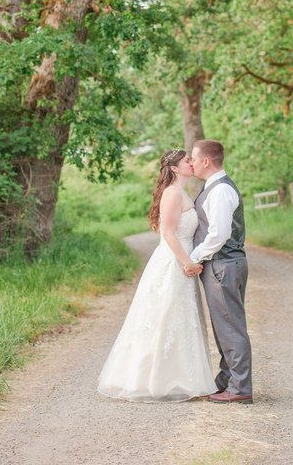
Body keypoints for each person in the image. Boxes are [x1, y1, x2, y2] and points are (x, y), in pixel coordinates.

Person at [98, 149, 217, 402]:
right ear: (174, 168)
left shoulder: (182, 192)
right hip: (174, 261)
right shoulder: (173, 193)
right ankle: (153, 380)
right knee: (165, 317)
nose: (191, 163)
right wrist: (189, 263)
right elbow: (169, 233)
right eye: (187, 161)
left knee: (179, 318)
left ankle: (180, 378)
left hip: (182, 260)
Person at [186, 139, 254, 404]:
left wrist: (194, 257)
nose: (190, 162)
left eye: (193, 157)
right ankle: (226, 381)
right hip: (222, 265)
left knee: (230, 327)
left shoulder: (221, 191)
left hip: (223, 264)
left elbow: (219, 234)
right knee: (224, 326)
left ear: (206, 161)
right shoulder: (213, 187)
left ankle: (240, 388)